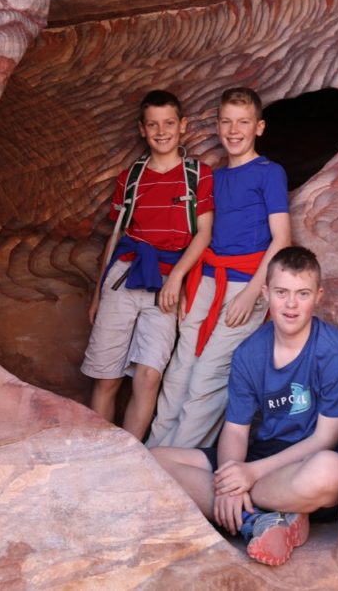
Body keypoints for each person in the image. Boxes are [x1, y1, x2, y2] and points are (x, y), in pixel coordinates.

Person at [151, 246, 338, 566]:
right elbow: (236, 429)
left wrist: (249, 475)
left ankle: (255, 513)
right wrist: (229, 484)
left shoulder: (336, 353)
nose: (291, 304)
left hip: (307, 463)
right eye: (281, 292)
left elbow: (325, 439)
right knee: (155, 459)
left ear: (318, 296)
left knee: (330, 473)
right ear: (265, 293)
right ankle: (260, 520)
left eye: (302, 293)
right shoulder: (250, 352)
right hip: (262, 456)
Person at [147, 87, 292, 449]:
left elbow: (282, 239)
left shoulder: (270, 172)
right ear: (216, 126)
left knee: (208, 377)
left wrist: (251, 293)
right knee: (178, 374)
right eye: (226, 121)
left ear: (259, 127)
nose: (233, 129)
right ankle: (152, 453)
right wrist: (186, 283)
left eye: (243, 122)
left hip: (246, 283)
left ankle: (176, 464)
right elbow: (204, 235)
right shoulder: (212, 176)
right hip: (207, 282)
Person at [80, 90, 213, 440]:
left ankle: (130, 458)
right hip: (124, 277)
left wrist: (177, 280)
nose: (161, 131)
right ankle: (99, 453)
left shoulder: (198, 175)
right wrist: (97, 294)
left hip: (166, 282)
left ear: (182, 126)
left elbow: (203, 234)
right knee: (106, 377)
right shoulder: (131, 178)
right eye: (153, 124)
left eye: (169, 123)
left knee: (149, 375)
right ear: (142, 129)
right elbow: (116, 237)